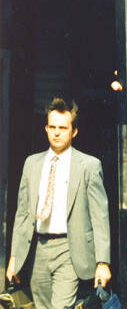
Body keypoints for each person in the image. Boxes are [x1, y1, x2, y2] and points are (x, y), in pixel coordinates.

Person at [6, 97, 111, 309]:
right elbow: (23, 215)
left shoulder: (88, 166)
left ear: (74, 132)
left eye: (62, 128)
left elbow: (100, 216)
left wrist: (102, 262)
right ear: (45, 128)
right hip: (39, 250)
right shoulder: (32, 164)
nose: (56, 132)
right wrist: (14, 257)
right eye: (52, 127)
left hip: (70, 249)